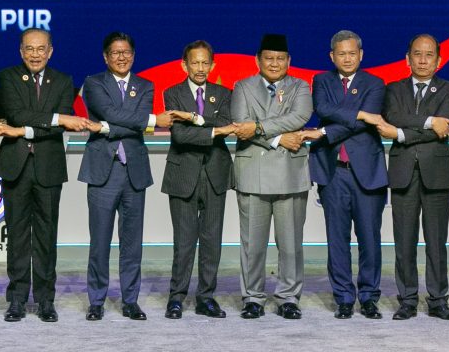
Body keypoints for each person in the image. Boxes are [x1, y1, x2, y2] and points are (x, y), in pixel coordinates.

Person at [0, 28, 85, 323]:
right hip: (16, 166)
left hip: (49, 166)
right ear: (21, 51)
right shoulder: (8, 77)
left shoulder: (63, 80)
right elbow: (16, 114)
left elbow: (58, 128)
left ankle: (46, 300)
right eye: (29, 49)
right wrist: (57, 118)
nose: (35, 54)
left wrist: (38, 126)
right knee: (17, 236)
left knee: (46, 236)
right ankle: (17, 299)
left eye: (41, 49)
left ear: (50, 51)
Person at [78, 31, 169, 321]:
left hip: (134, 173)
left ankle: (130, 300)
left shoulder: (145, 85)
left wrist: (105, 127)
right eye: (116, 53)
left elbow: (118, 119)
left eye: (126, 52)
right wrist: (150, 121)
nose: (122, 57)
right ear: (106, 57)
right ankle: (96, 301)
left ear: (133, 55)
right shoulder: (93, 83)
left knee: (132, 244)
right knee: (99, 242)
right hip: (102, 173)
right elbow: (114, 114)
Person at [301, 30, 388, 320]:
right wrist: (360, 113)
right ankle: (344, 298)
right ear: (332, 56)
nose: (347, 58)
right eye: (341, 54)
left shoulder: (375, 84)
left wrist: (323, 132)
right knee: (337, 240)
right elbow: (323, 108)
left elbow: (360, 125)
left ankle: (369, 297)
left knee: (369, 239)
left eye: (352, 53)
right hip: (333, 173)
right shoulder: (321, 81)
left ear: (361, 55)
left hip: (367, 173)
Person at [376, 34, 449, 321]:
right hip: (403, 173)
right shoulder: (393, 89)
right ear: (407, 58)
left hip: (436, 174)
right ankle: (408, 300)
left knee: (436, 242)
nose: (423, 60)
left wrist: (400, 134)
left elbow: (440, 129)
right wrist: (428, 121)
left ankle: (438, 300)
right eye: (417, 54)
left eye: (429, 55)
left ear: (438, 60)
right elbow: (393, 116)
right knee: (404, 241)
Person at [231, 33, 312, 320]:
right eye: (269, 58)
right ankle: (253, 297)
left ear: (289, 61)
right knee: (252, 245)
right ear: (258, 60)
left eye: (280, 59)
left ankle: (288, 297)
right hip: (253, 173)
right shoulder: (242, 87)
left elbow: (299, 117)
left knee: (290, 244)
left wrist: (258, 127)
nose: (274, 64)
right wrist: (278, 139)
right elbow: (240, 124)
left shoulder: (300, 86)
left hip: (291, 172)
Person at [161, 40, 235, 320]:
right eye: (195, 63)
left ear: (213, 65)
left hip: (215, 173)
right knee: (183, 241)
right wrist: (213, 128)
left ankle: (206, 297)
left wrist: (195, 119)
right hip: (183, 173)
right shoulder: (173, 93)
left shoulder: (224, 93)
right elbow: (180, 135)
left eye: (205, 63)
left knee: (212, 240)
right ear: (185, 65)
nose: (200, 68)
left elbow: (227, 124)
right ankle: (176, 297)